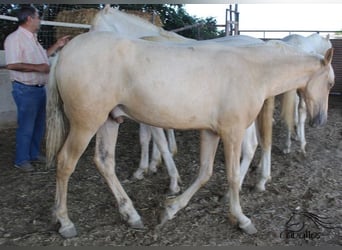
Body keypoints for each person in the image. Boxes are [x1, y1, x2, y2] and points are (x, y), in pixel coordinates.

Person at [4, 6, 70, 172]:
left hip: (38, 89)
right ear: (29, 19)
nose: (39, 20)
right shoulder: (15, 39)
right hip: (25, 89)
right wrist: (38, 68)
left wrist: (57, 45)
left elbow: (44, 58)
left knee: (38, 125)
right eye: (38, 17)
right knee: (26, 126)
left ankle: (33, 154)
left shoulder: (32, 38)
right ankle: (21, 160)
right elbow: (12, 64)